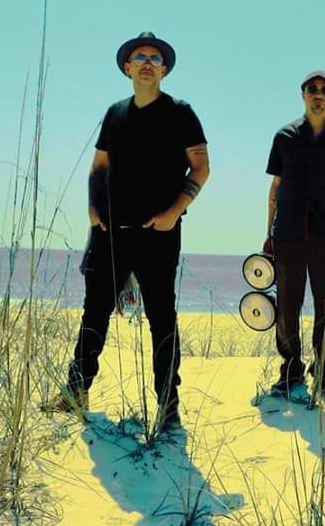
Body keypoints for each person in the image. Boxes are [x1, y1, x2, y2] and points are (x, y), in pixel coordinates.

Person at [44, 32, 210, 432]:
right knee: (94, 312)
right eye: (140, 57)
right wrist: (92, 208)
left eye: (155, 58)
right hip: (110, 232)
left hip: (158, 233)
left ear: (164, 70)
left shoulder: (180, 112)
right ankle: (76, 392)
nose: (147, 63)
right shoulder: (115, 112)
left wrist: (173, 213)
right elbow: (99, 166)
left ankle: (168, 406)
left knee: (161, 318)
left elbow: (201, 168)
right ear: (127, 68)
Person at [264, 71, 325, 401]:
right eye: (312, 89)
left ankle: (324, 374)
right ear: (303, 94)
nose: (318, 94)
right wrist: (268, 232)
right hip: (287, 233)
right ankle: (291, 370)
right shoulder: (284, 136)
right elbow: (275, 186)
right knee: (287, 306)